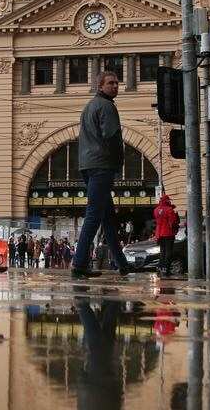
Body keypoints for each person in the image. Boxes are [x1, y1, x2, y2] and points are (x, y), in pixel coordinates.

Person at [71, 71, 135, 279]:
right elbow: (112, 136)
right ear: (100, 85)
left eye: (117, 83)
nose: (115, 86)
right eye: (111, 83)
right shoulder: (107, 106)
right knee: (94, 215)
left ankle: (122, 263)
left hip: (88, 164)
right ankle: (79, 263)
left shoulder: (89, 106)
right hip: (102, 165)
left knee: (108, 218)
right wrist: (120, 161)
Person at [153, 194, 179, 277]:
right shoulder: (169, 210)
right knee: (168, 252)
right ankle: (166, 269)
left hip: (159, 234)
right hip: (168, 233)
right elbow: (173, 222)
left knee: (162, 252)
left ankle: (160, 268)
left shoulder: (156, 210)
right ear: (167, 201)